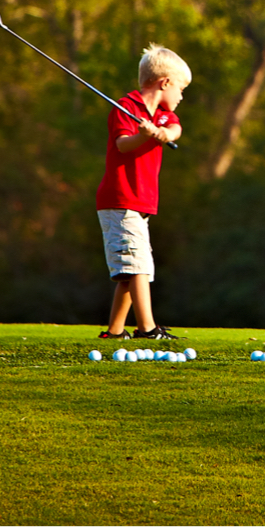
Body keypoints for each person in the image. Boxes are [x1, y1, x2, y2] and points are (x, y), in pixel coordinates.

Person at [96, 43, 188, 340]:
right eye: (181, 89)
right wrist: (143, 135)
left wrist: (162, 134)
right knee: (137, 267)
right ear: (165, 83)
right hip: (120, 199)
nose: (181, 97)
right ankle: (147, 328)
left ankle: (115, 330)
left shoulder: (163, 115)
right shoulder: (126, 108)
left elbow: (175, 130)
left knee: (132, 268)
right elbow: (123, 144)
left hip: (139, 203)